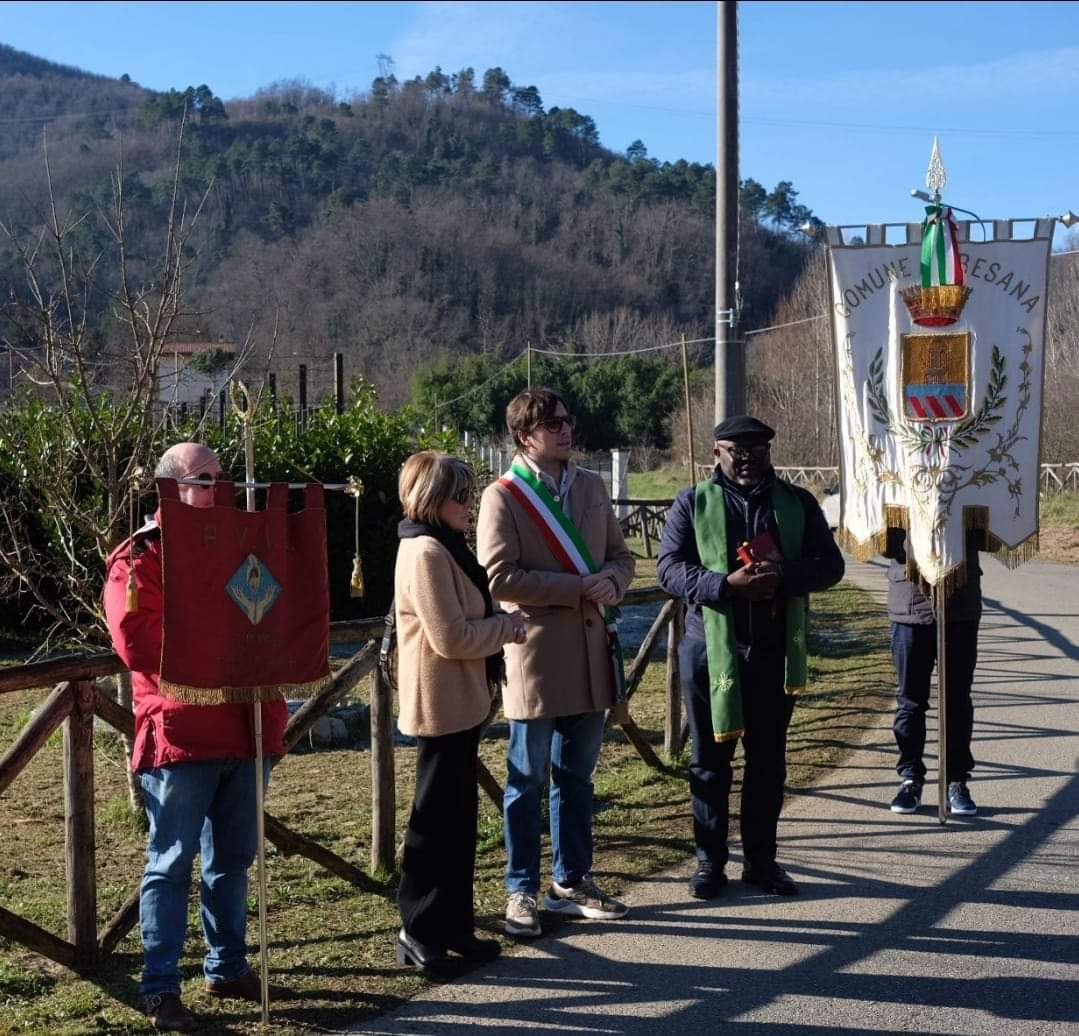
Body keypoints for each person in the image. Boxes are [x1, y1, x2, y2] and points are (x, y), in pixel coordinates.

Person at [103, 443, 290, 1033]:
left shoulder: (238, 546)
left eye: (220, 478)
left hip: (245, 725)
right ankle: (160, 989)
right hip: (182, 731)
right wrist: (228, 649)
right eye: (204, 479)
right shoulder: (141, 558)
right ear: (169, 488)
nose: (217, 489)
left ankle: (227, 966)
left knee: (232, 859)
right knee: (170, 862)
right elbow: (138, 641)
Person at [657, 416, 844, 899]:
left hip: (773, 651)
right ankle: (708, 863)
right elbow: (670, 570)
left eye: (757, 449)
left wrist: (782, 575)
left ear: (769, 452)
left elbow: (831, 566)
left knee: (768, 763)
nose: (747, 458)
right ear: (716, 452)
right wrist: (724, 585)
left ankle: (761, 862)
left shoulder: (797, 503)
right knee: (709, 762)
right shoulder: (692, 502)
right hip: (709, 649)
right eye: (736, 450)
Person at [477, 387, 635, 938]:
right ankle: (520, 889)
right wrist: (577, 588)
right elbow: (499, 578)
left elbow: (621, 556)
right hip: (536, 657)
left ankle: (571, 882)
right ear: (525, 436)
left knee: (577, 777)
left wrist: (614, 580)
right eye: (554, 424)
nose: (567, 430)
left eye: (569, 420)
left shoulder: (591, 486)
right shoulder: (503, 497)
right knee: (526, 780)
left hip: (593, 654)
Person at [392, 451, 526, 974]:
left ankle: (453, 926)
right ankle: (418, 929)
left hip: (462, 701)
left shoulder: (444, 544)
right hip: (440, 703)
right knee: (434, 824)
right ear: (433, 499)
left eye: (470, 494)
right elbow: (450, 637)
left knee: (459, 821)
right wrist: (506, 629)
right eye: (461, 496)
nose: (469, 505)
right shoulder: (425, 551)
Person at [884, 529, 981, 816]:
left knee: (957, 699)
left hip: (960, 601)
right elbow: (883, 543)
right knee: (910, 700)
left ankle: (956, 780)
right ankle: (910, 778)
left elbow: (988, 534)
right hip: (910, 602)